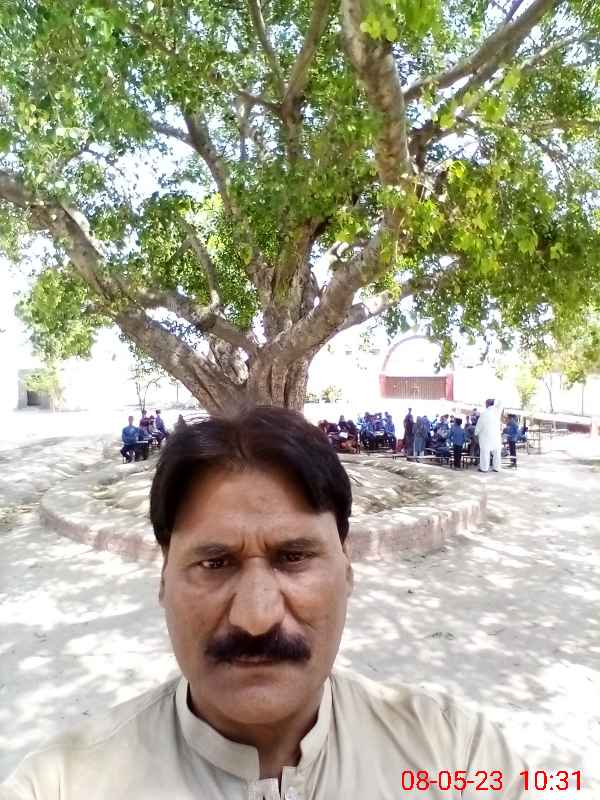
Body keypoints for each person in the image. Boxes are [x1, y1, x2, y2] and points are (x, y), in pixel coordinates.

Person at [2, 406, 529, 800]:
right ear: (163, 578)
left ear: (347, 568)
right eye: (215, 563)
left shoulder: (457, 756)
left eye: (294, 557)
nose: (256, 617)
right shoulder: (60, 785)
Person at [475, 399, 502, 473]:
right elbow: (500, 403)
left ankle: (484, 468)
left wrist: (476, 432)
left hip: (486, 436)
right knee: (497, 453)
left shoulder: (484, 413)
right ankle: (497, 468)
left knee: (485, 452)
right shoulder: (497, 412)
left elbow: (479, 425)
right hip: (496, 436)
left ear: (487, 404)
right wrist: (495, 401)